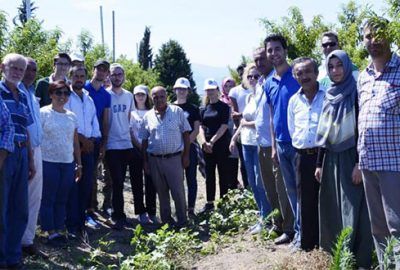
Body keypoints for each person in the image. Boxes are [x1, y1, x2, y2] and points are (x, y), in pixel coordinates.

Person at [315, 50, 372, 268]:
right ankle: (337, 257)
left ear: (347, 67)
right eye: (331, 67)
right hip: (331, 159)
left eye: (339, 66)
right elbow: (325, 131)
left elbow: (361, 130)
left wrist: (359, 163)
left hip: (351, 158)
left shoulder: (356, 92)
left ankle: (358, 260)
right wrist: (319, 164)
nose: (335, 71)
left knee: (354, 210)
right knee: (333, 208)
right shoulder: (328, 94)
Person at [358, 18, 400, 269]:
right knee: (378, 227)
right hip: (368, 162)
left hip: (394, 163)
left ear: (390, 36)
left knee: (397, 225)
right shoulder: (363, 76)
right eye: (367, 36)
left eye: (378, 34)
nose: (373, 41)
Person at [253, 47, 294, 240]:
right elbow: (268, 115)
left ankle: (289, 227)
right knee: (269, 187)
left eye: (263, 59)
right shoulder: (263, 82)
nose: (260, 63)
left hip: (281, 143)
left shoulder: (291, 76)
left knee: (283, 188)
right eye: (257, 60)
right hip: (263, 143)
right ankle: (278, 224)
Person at [264, 34, 301, 248]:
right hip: (281, 144)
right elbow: (272, 116)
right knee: (289, 192)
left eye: (277, 49)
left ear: (285, 51)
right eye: (270, 50)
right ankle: (292, 231)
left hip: (299, 144)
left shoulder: (296, 76)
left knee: (302, 192)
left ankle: (305, 234)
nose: (274, 54)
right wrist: (273, 147)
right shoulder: (269, 82)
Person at [0, 53, 34, 269]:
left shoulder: (21, 94)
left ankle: (13, 256)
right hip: (3, 154)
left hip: (21, 154)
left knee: (19, 208)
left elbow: (25, 129)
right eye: (14, 67)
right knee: (1, 208)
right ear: (3, 67)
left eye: (21, 70)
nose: (18, 72)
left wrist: (30, 159)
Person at [140, 86, 191, 228]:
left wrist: (186, 155)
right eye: (155, 97)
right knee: (162, 193)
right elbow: (144, 140)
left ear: (167, 97)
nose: (159, 99)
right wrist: (145, 161)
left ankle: (182, 221)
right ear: (151, 98)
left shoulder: (177, 111)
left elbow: (186, 133)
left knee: (178, 191)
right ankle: (167, 222)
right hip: (154, 159)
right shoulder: (147, 116)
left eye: (162, 96)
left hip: (174, 159)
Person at [229, 64, 271, 234]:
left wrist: (246, 123)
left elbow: (263, 121)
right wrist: (234, 137)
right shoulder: (249, 98)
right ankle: (262, 216)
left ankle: (268, 218)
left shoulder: (263, 96)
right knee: (252, 182)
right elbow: (242, 123)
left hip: (258, 143)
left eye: (256, 76)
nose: (253, 79)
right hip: (246, 143)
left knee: (261, 182)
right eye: (250, 77)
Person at [288, 57, 324, 251]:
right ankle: (308, 244)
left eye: (308, 72)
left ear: (316, 73)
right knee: (305, 201)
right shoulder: (294, 101)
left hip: (324, 156)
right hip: (302, 157)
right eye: (299, 73)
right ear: (295, 76)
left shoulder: (327, 97)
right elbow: (293, 128)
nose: (304, 76)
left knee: (325, 200)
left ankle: (325, 243)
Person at [39, 80, 82, 247]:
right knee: (48, 198)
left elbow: (75, 142)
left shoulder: (72, 116)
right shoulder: (43, 113)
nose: (62, 96)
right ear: (50, 94)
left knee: (62, 198)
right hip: (48, 161)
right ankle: (48, 232)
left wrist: (79, 164)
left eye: (66, 93)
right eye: (58, 93)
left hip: (67, 162)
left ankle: (59, 229)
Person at [65, 66, 101, 238]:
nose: (79, 79)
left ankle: (80, 223)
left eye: (82, 76)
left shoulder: (88, 99)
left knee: (86, 187)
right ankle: (70, 226)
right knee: (72, 188)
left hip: (88, 149)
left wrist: (92, 140)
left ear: (86, 78)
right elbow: (66, 121)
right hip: (71, 148)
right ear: (70, 77)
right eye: (76, 76)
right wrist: (82, 140)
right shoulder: (65, 96)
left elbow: (94, 123)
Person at [105, 63, 136, 230]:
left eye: (119, 74)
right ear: (109, 76)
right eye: (113, 74)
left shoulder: (129, 96)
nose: (117, 77)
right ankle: (118, 215)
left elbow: (129, 118)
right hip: (111, 143)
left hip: (126, 143)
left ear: (124, 76)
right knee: (116, 180)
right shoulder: (105, 95)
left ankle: (117, 213)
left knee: (121, 180)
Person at [19, 57, 44, 256]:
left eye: (34, 70)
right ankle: (13, 242)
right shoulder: (15, 91)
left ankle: (27, 241)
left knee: (34, 197)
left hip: (37, 148)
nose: (30, 73)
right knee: (18, 198)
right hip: (22, 150)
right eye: (28, 69)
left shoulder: (32, 91)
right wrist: (29, 154)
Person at [199, 79, 234, 212]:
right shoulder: (203, 109)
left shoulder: (224, 107)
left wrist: (212, 141)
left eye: (212, 89)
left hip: (221, 144)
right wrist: (204, 142)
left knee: (223, 173)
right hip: (207, 146)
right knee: (209, 174)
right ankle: (209, 202)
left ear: (217, 90)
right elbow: (201, 127)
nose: (210, 92)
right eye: (208, 90)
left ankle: (224, 201)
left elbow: (224, 126)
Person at [84, 59, 111, 227]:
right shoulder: (83, 88)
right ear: (93, 70)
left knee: (92, 176)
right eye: (98, 69)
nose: (101, 72)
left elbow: (105, 120)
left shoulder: (105, 95)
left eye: (104, 70)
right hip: (80, 139)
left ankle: (90, 209)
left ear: (107, 73)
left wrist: (104, 144)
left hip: (96, 140)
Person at [129, 85, 158, 224]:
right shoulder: (132, 112)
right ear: (134, 96)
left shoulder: (152, 112)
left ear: (147, 96)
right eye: (137, 94)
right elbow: (130, 131)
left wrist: (146, 147)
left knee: (151, 182)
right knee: (136, 182)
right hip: (135, 150)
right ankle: (140, 211)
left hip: (150, 150)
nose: (140, 97)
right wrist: (139, 146)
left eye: (143, 94)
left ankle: (152, 211)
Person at [173, 77, 201, 217]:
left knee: (191, 178)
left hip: (189, 148)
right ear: (175, 90)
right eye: (179, 89)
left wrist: (186, 145)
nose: (182, 91)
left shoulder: (194, 109)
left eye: (184, 89)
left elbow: (196, 130)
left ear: (188, 91)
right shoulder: (170, 108)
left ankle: (191, 208)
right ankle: (179, 208)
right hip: (174, 149)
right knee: (177, 180)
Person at [229, 64, 251, 188]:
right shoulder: (235, 91)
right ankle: (247, 187)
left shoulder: (256, 89)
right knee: (244, 162)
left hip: (255, 130)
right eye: (241, 74)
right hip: (240, 131)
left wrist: (242, 114)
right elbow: (234, 115)